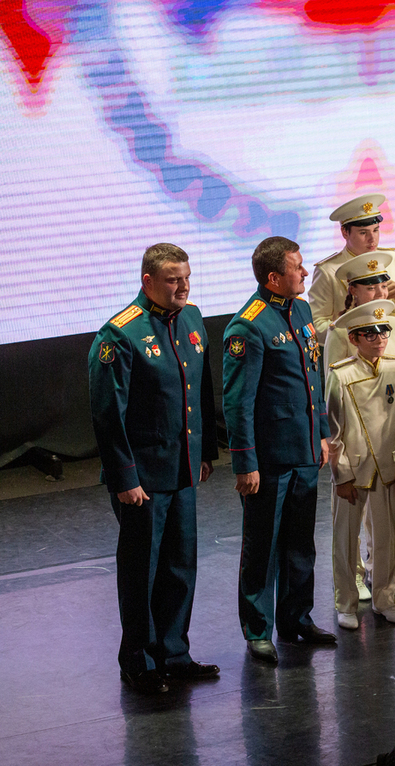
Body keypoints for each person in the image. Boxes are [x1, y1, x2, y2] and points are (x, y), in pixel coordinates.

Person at [88, 243, 219, 695]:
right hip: (143, 477)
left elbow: (200, 389)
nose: (183, 286)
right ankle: (138, 661)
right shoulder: (120, 334)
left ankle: (174, 654)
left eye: (187, 277)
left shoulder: (192, 319)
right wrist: (124, 478)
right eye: (172, 279)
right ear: (148, 281)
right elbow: (108, 415)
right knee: (141, 571)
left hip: (181, 468)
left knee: (180, 565)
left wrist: (204, 453)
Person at [224, 237, 336, 665]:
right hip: (270, 459)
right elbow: (238, 403)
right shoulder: (248, 327)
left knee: (300, 544)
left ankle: (296, 619)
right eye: (297, 267)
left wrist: (321, 433)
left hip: (304, 450)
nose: (305, 273)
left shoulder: (301, 310)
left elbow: (313, 378)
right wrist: (245, 462)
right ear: (273, 277)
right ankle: (258, 630)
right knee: (263, 547)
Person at [324, 251, 395, 598]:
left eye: (382, 284)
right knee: (348, 523)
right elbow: (333, 399)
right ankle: (353, 581)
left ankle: (381, 578)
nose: (379, 291)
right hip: (354, 442)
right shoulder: (340, 332)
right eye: (370, 286)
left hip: (385, 441)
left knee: (384, 522)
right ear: (353, 290)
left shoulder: (393, 326)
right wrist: (340, 465)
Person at [310, 194, 395, 341]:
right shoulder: (328, 270)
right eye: (363, 233)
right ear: (344, 232)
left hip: (393, 343)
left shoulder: (393, 259)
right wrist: (357, 330)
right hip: (351, 349)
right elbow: (317, 325)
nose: (372, 238)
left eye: (376, 230)